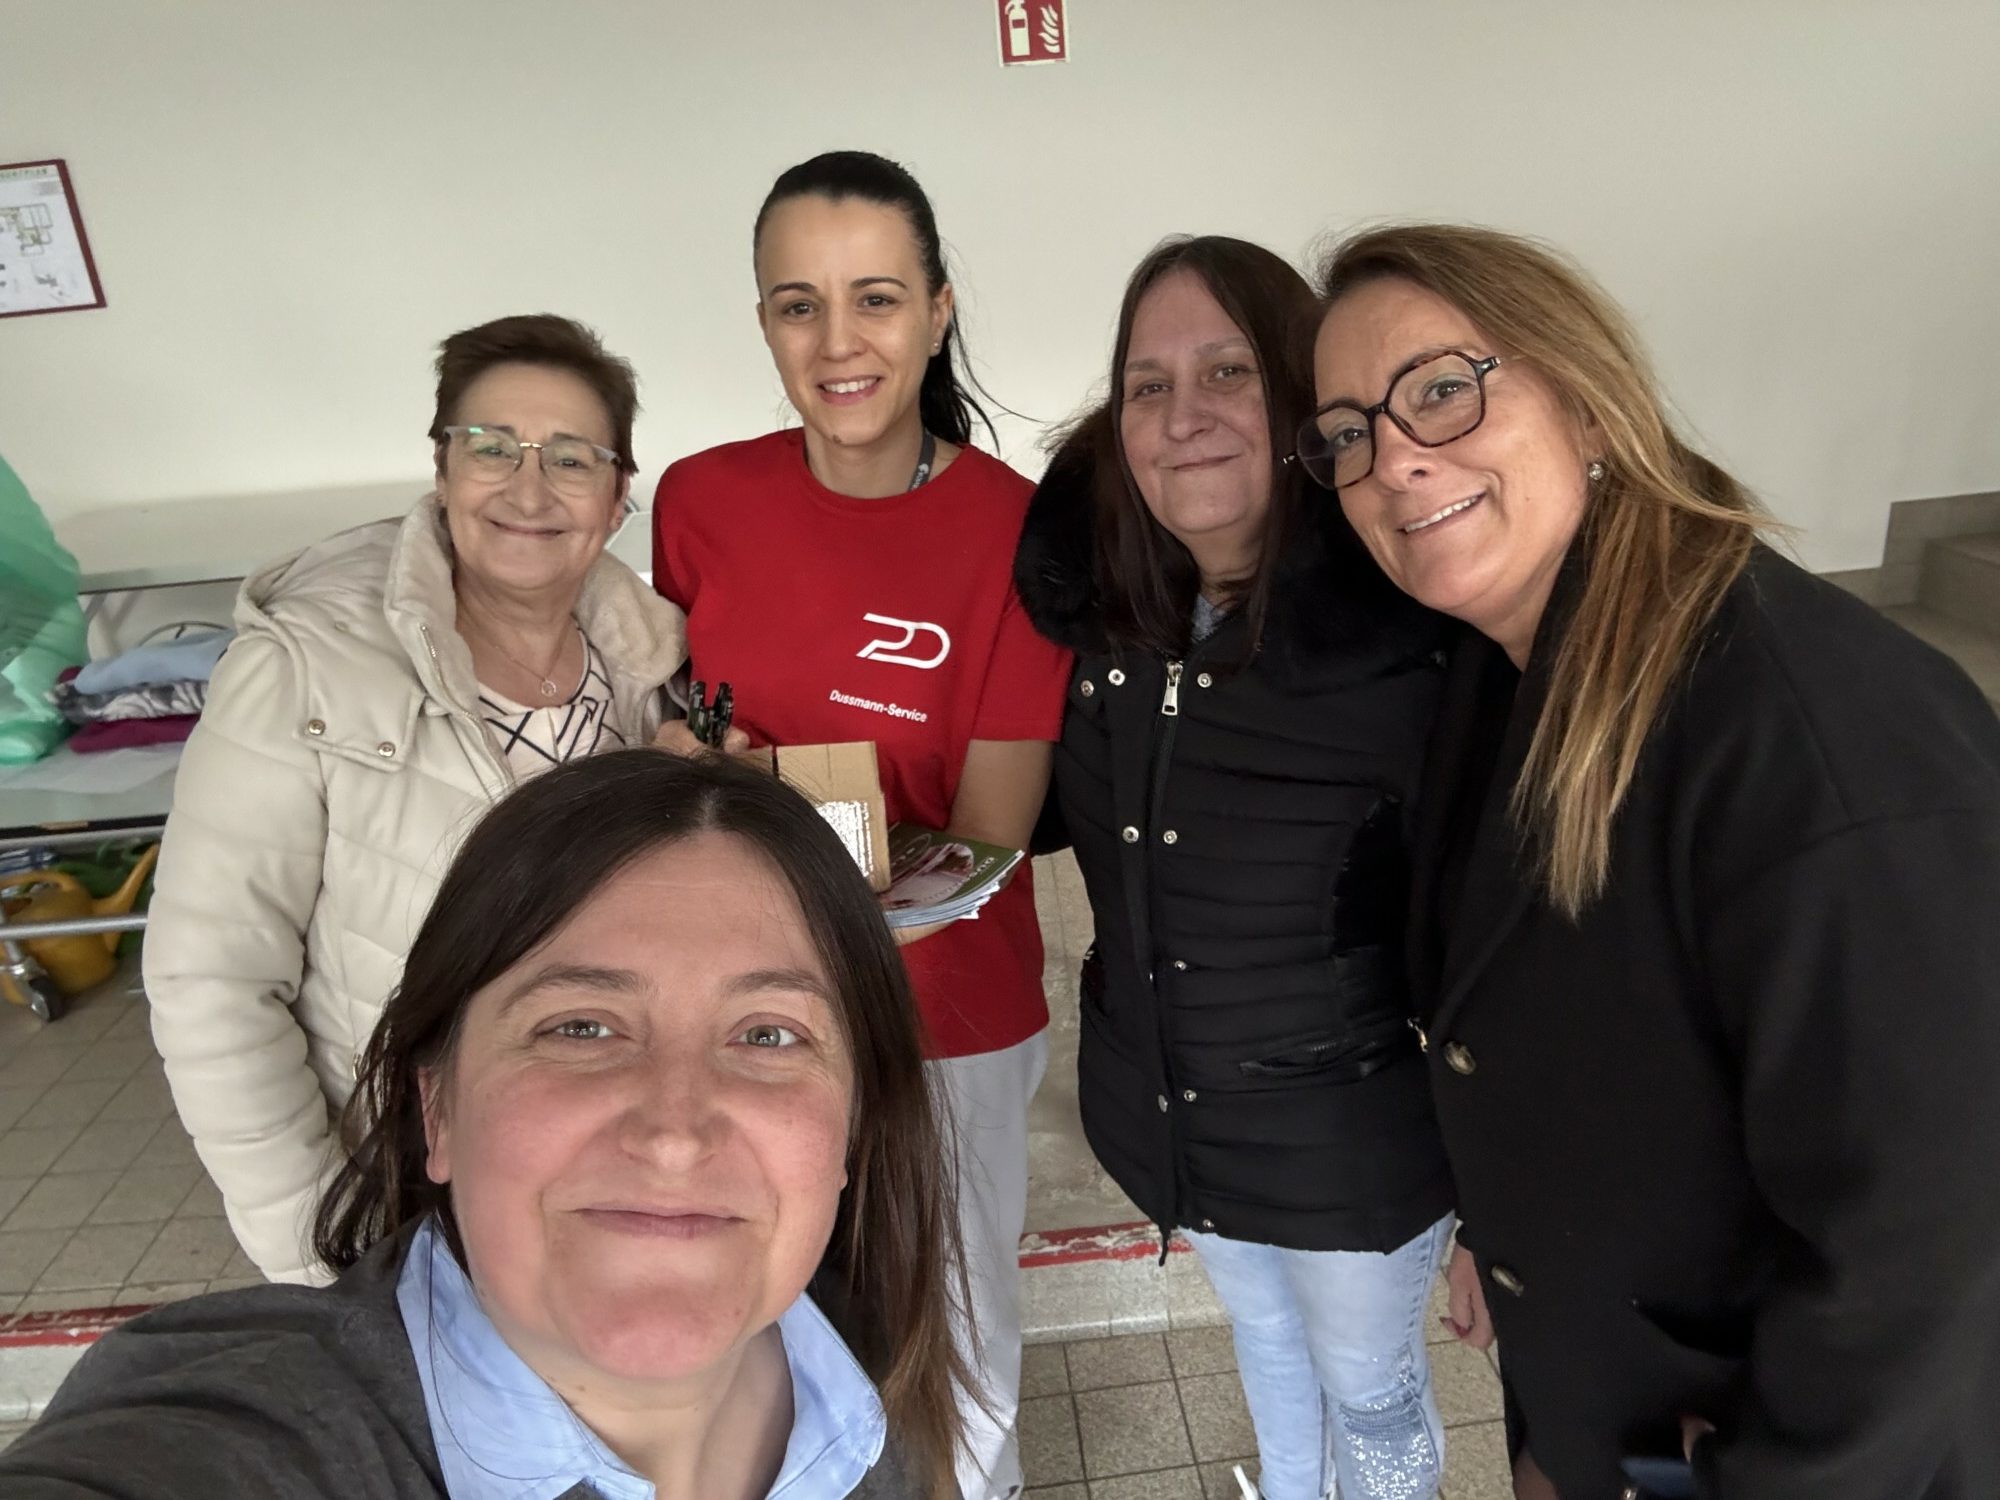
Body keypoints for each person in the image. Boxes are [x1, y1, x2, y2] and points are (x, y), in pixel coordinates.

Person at [1304, 222, 2000, 1500]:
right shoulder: (1505, 675)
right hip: (1609, 1402)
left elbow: (1935, 1234)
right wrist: (1504, 1239)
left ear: (1586, 401)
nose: (1392, 457)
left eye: (1441, 389)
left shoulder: (1823, 744)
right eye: (1347, 431)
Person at [2, 750, 965, 1499]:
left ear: (854, 1123)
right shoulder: (251, 1436)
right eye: (580, 1027)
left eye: (767, 1035)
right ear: (438, 1108)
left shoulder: (877, 1378)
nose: (675, 1133)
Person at [652, 150, 1072, 1500]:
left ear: (937, 312)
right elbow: (671, 723)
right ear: (764, 321)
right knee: (769, 1326)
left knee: (956, 1338)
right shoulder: (700, 503)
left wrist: (769, 818)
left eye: (876, 299)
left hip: (943, 1016)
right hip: (741, 1009)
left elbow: (990, 837)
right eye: (798, 305)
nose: (837, 343)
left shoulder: (1016, 531)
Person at [1013, 235, 1457, 1500]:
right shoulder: (1109, 631)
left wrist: (1503, 1201)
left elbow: (1504, 949)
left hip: (1350, 1145)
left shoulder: (1412, 642)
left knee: (1370, 1388)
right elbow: (1029, 814)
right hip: (1172, 1115)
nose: (1182, 416)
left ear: (1304, 403)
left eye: (1225, 372)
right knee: (1260, 1339)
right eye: (1146, 385)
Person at [144, 315, 687, 1283]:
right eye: (490, 448)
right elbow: (212, 981)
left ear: (616, 498)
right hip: (403, 1198)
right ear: (442, 470)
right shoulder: (306, 665)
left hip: (603, 1170)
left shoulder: (649, 664)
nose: (528, 489)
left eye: (571, 458)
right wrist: (316, 1250)